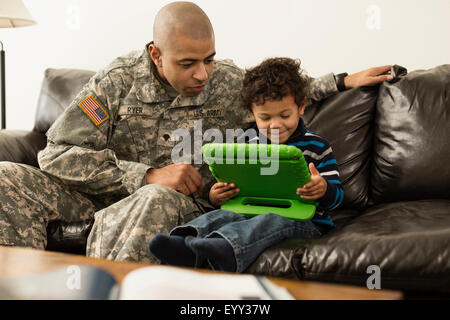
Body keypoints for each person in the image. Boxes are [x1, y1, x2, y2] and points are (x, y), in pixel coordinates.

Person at [0, 1, 392, 263]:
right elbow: (56, 153)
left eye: (209, 59)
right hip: (101, 196)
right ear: (156, 54)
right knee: (6, 177)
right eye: (188, 63)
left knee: (154, 196)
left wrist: (342, 80)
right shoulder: (114, 84)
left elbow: (282, 92)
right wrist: (145, 174)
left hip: (185, 203)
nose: (203, 74)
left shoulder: (224, 81)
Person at [148, 57, 344, 273]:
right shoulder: (247, 146)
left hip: (305, 220)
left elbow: (337, 199)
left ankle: (226, 249)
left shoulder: (318, 146)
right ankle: (184, 242)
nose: (276, 124)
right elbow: (235, 192)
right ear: (252, 114)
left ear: (301, 107)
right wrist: (216, 195)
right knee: (223, 216)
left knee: (270, 220)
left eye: (284, 115)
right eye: (265, 117)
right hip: (253, 211)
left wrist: (323, 189)